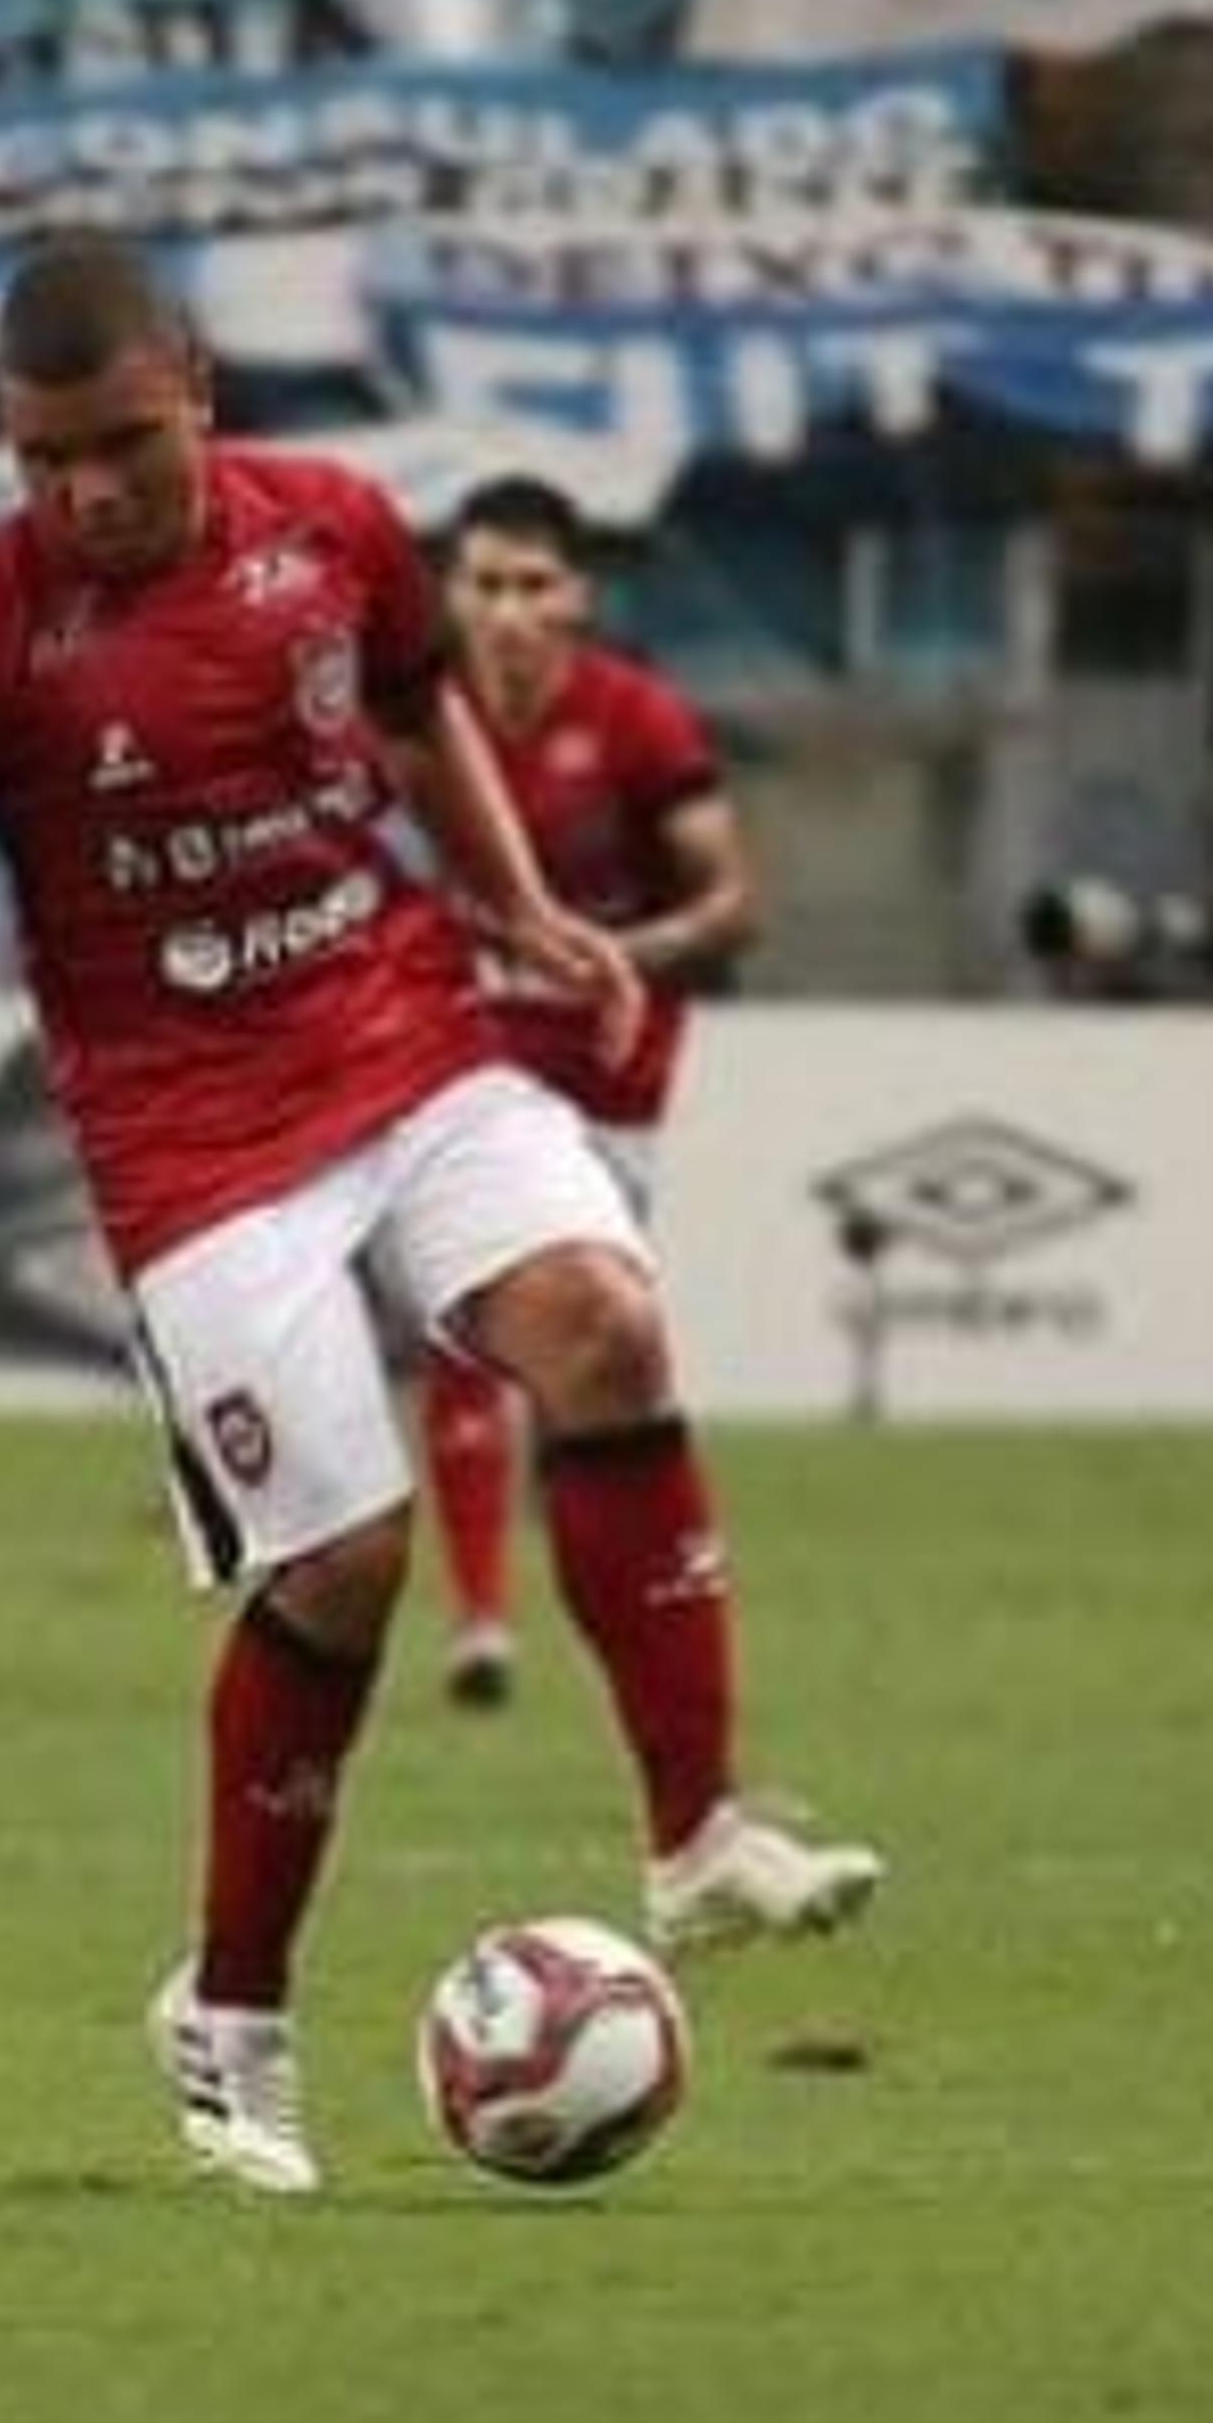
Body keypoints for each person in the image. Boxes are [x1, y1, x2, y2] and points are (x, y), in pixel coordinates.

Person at [0, 231, 879, 2198]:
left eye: (113, 444)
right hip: (192, 1145)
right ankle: (235, 2006)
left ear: (194, 383)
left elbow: (423, 705)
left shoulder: (339, 527)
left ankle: (698, 1829)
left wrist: (522, 904)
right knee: (349, 1557)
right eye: (38, 460)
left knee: (604, 1320)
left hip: (403, 1034)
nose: (81, 494)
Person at [419, 475, 758, 1713]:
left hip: (613, 1087)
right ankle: (479, 1621)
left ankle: (612, 1597)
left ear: (579, 598)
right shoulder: (419, 721)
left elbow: (734, 902)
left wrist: (624, 955)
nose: (509, 613)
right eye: (486, 584)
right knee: (460, 1332)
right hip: (468, 1072)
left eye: (534, 585)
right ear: (451, 598)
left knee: (591, 1367)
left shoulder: (637, 723)